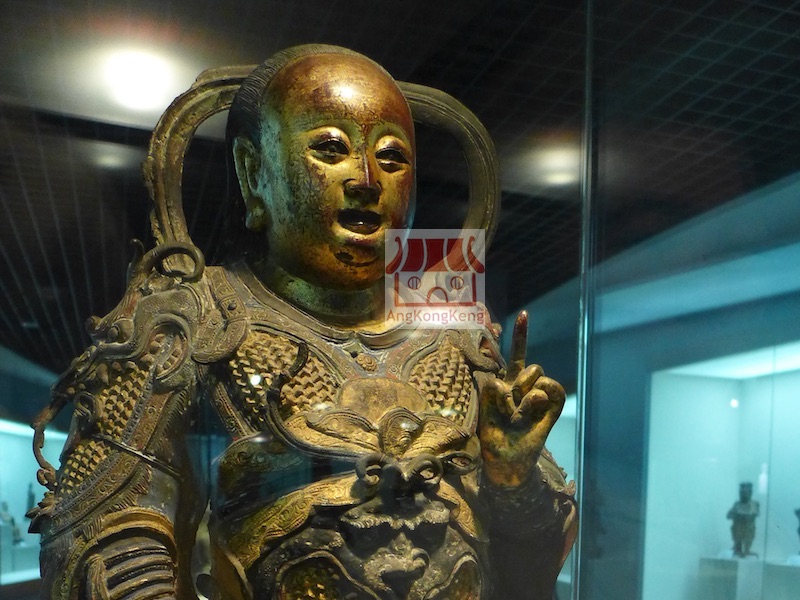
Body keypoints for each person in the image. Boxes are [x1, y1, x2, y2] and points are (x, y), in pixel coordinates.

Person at [29, 44, 576, 599]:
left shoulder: (457, 338)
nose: (367, 179)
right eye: (330, 149)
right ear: (254, 172)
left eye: (392, 158)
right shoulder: (189, 320)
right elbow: (102, 530)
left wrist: (513, 479)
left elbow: (532, 566)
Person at [727, 482, 759, 558]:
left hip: (748, 529)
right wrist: (737, 516)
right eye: (741, 492)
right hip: (737, 530)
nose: (743, 494)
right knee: (737, 527)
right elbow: (729, 515)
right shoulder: (737, 504)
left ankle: (746, 549)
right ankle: (737, 548)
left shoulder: (754, 504)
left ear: (750, 493)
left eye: (745, 492)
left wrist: (740, 515)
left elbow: (753, 515)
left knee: (749, 527)